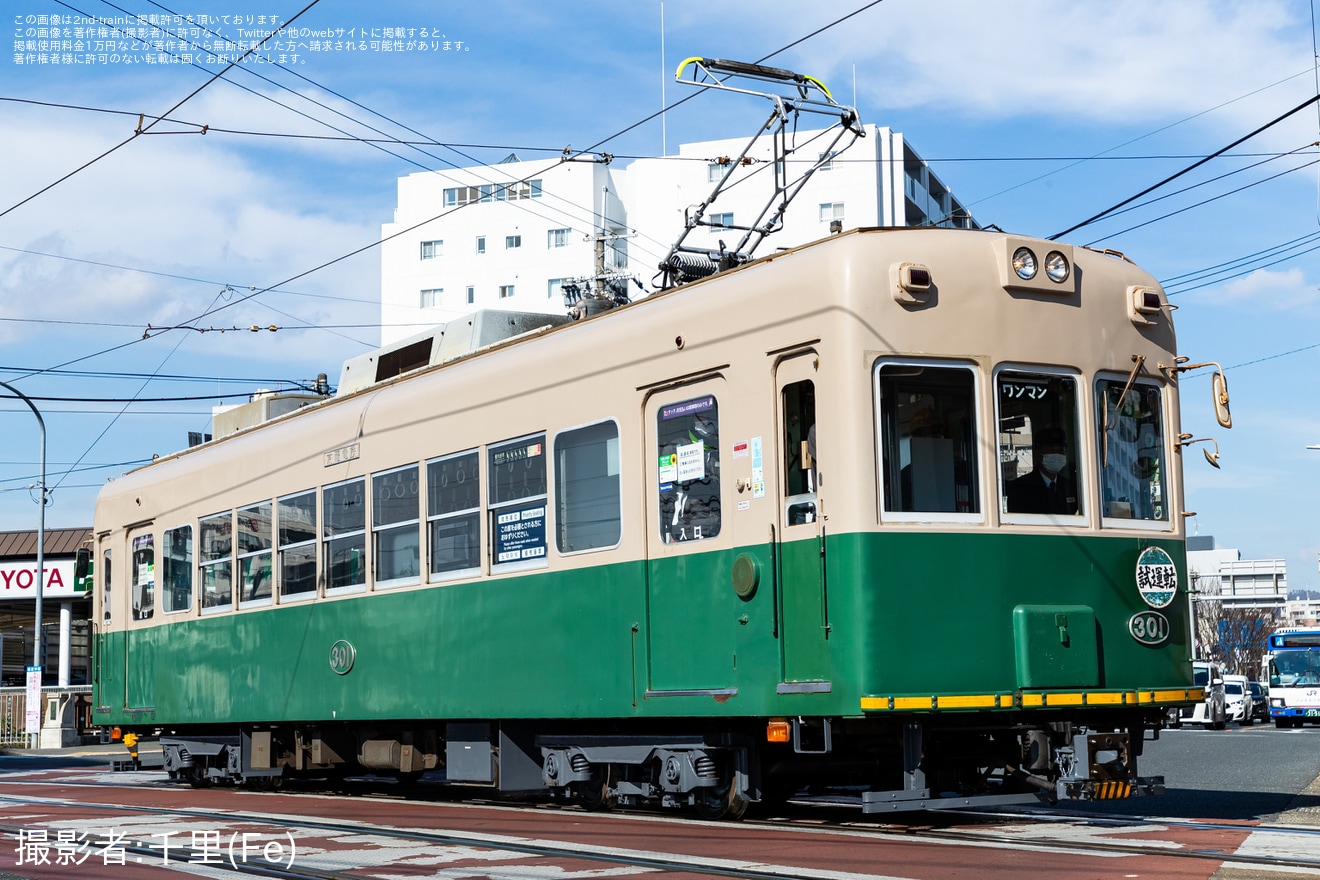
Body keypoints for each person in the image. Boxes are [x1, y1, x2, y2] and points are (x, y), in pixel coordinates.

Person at [1006, 426, 1077, 514]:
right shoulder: (1019, 488)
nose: (1056, 454)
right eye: (1051, 450)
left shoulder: (1071, 487)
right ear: (1038, 453)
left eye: (1061, 450)